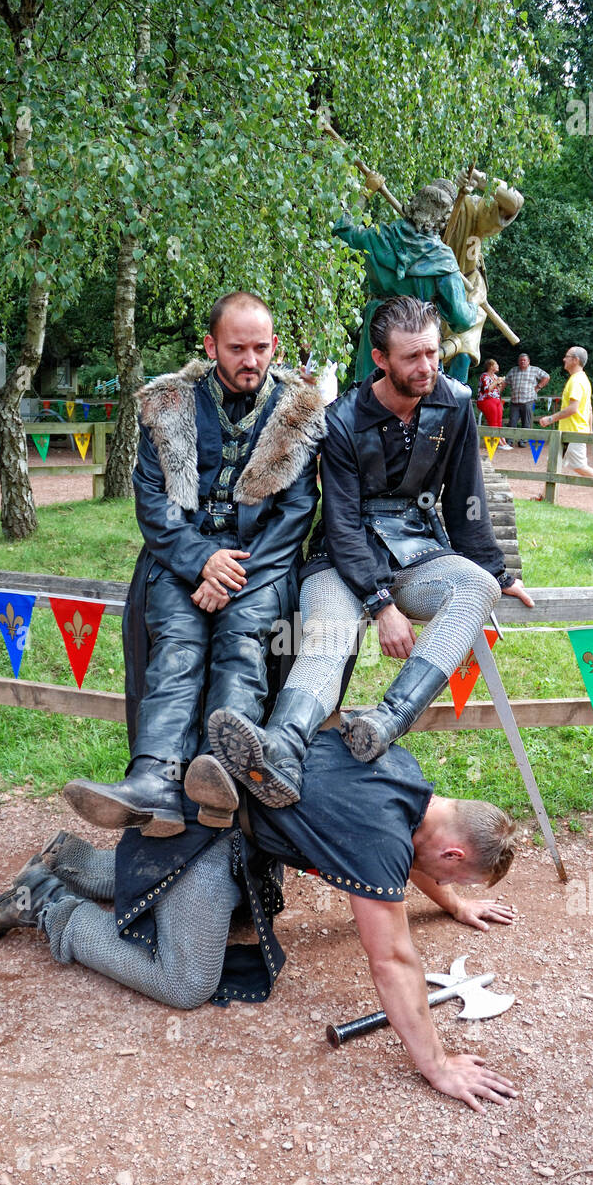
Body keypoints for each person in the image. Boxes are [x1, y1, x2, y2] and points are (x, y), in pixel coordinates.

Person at [0, 730, 520, 1112]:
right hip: (208, 835)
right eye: (455, 880)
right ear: (452, 853)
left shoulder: (402, 772)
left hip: (206, 806)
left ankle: (70, 859)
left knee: (195, 900)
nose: (446, 885)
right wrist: (438, 1064)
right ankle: (50, 904)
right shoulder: (379, 839)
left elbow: (407, 859)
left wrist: (455, 907)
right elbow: (393, 959)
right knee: (185, 982)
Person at [204, 296, 533, 812]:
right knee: (328, 641)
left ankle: (384, 722)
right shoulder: (340, 420)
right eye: (412, 358)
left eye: (432, 354)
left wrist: (496, 569)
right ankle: (281, 750)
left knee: (477, 586)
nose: (427, 367)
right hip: (340, 559)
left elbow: (467, 496)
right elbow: (341, 522)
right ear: (381, 359)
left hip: (419, 550)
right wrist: (381, 605)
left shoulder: (456, 403)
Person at [62, 292, 324, 837]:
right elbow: (152, 505)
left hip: (260, 566)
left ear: (274, 346)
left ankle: (221, 777)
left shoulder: (299, 417)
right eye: (237, 348)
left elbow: (296, 515)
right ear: (211, 346)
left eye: (260, 347)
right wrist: (202, 561)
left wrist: (232, 574)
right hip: (179, 559)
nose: (251, 359)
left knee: (243, 646)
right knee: (177, 646)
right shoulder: (168, 407)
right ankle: (154, 783)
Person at [333, 179, 477, 382]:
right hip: (417, 332)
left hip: (378, 327)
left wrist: (367, 192)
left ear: (413, 204)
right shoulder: (442, 258)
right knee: (416, 400)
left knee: (371, 393)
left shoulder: (378, 237)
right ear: (443, 218)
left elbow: (343, 227)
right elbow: (460, 319)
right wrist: (474, 304)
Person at [440, 166, 525, 382]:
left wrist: (481, 180)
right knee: (428, 345)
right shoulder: (425, 208)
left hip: (468, 286)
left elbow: (514, 202)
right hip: (431, 287)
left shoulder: (474, 207)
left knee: (464, 348)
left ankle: (455, 402)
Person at [538, 346, 593, 511]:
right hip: (573, 431)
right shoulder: (583, 379)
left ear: (575, 360)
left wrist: (550, 418)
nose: (564, 359)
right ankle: (544, 496)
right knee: (554, 462)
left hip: (573, 431)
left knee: (580, 466)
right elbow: (588, 407)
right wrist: (589, 429)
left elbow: (573, 408)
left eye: (567, 357)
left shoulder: (575, 381)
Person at [500, 353, 549, 448]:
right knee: (512, 421)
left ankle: (523, 440)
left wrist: (539, 386)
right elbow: (505, 383)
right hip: (514, 401)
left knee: (526, 421)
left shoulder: (535, 370)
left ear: (528, 361)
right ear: (518, 361)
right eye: (521, 360)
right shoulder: (513, 370)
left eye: (524, 360)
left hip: (528, 400)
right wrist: (498, 393)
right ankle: (509, 440)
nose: (522, 361)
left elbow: (546, 377)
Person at [476, 358, 508, 448]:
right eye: (496, 364)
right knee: (493, 421)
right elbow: (487, 390)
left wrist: (500, 385)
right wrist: (496, 382)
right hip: (485, 400)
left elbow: (498, 391)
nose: (498, 366)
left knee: (499, 421)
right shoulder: (484, 376)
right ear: (490, 366)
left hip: (495, 400)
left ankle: (503, 440)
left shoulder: (496, 377)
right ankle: (497, 442)